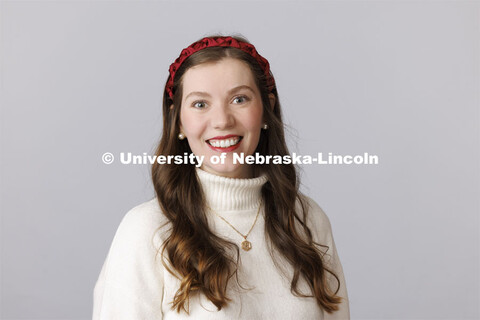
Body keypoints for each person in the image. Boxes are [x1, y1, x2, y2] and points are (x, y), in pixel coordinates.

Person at [93, 35, 350, 319]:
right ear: (178, 120)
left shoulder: (308, 220)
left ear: (266, 109)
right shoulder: (146, 230)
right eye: (200, 104)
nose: (222, 121)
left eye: (239, 99)